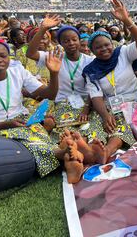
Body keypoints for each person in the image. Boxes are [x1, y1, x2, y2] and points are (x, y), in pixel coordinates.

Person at [0, 36, 84, 183]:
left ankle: (64, 155)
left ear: (8, 57)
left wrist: (54, 74)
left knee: (34, 137)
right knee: (27, 143)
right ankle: (61, 154)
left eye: (2, 56)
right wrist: (6, 124)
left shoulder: (17, 71)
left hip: (21, 122)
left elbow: (49, 94)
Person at [81, 0, 137, 163]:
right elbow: (96, 96)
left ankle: (106, 152)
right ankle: (92, 148)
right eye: (98, 47)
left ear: (112, 43)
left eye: (106, 45)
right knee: (100, 122)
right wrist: (104, 115)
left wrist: (126, 20)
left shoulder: (123, 52)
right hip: (110, 106)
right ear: (92, 51)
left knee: (122, 124)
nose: (104, 49)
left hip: (133, 102)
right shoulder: (91, 70)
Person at [26, 15, 106, 146]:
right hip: (62, 103)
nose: (71, 43)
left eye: (74, 39)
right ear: (60, 43)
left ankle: (89, 146)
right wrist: (43, 28)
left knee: (94, 124)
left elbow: (95, 88)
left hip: (87, 103)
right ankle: (71, 146)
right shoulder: (54, 57)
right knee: (63, 129)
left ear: (79, 41)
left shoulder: (90, 61)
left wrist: (87, 108)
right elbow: (30, 53)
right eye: (66, 41)